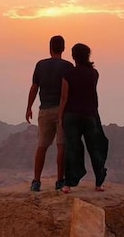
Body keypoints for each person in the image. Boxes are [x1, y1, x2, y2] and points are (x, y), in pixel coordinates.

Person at [58, 42, 108, 194]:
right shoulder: (94, 73)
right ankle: (99, 182)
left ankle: (68, 184)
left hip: (71, 114)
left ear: (74, 56)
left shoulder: (68, 74)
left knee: (72, 147)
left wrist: (60, 116)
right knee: (96, 146)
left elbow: (64, 96)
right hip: (90, 114)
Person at [25, 35, 73, 192]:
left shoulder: (40, 65)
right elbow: (68, 92)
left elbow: (34, 87)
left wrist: (29, 107)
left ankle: (36, 181)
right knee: (61, 146)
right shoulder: (68, 66)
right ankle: (60, 181)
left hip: (44, 110)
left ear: (50, 47)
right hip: (62, 110)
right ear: (63, 48)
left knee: (42, 146)